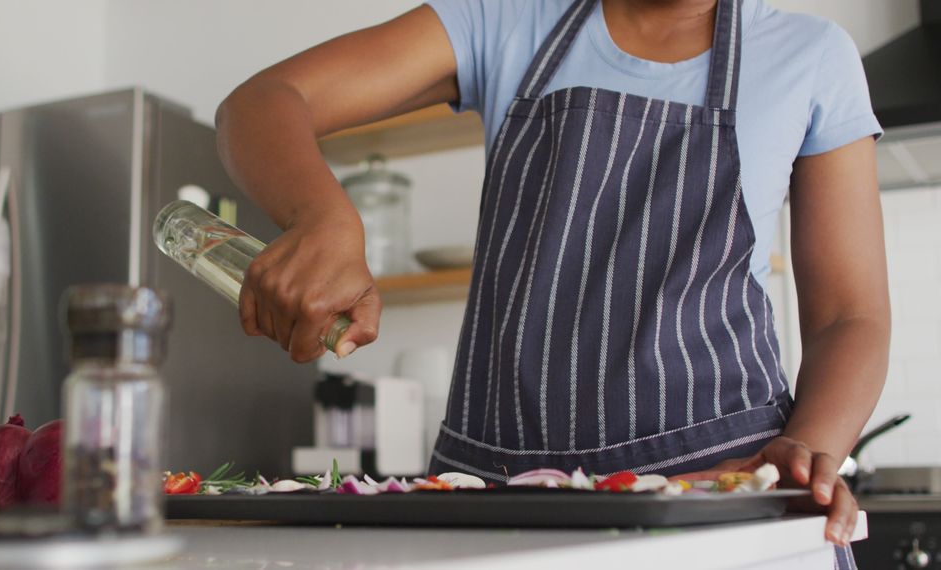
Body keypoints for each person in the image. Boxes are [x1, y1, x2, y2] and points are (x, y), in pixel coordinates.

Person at [214, 0, 889, 563]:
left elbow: (848, 317)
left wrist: (807, 451)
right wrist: (323, 218)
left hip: (723, 489)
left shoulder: (810, 55)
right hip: (497, 504)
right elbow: (264, 102)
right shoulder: (509, 21)